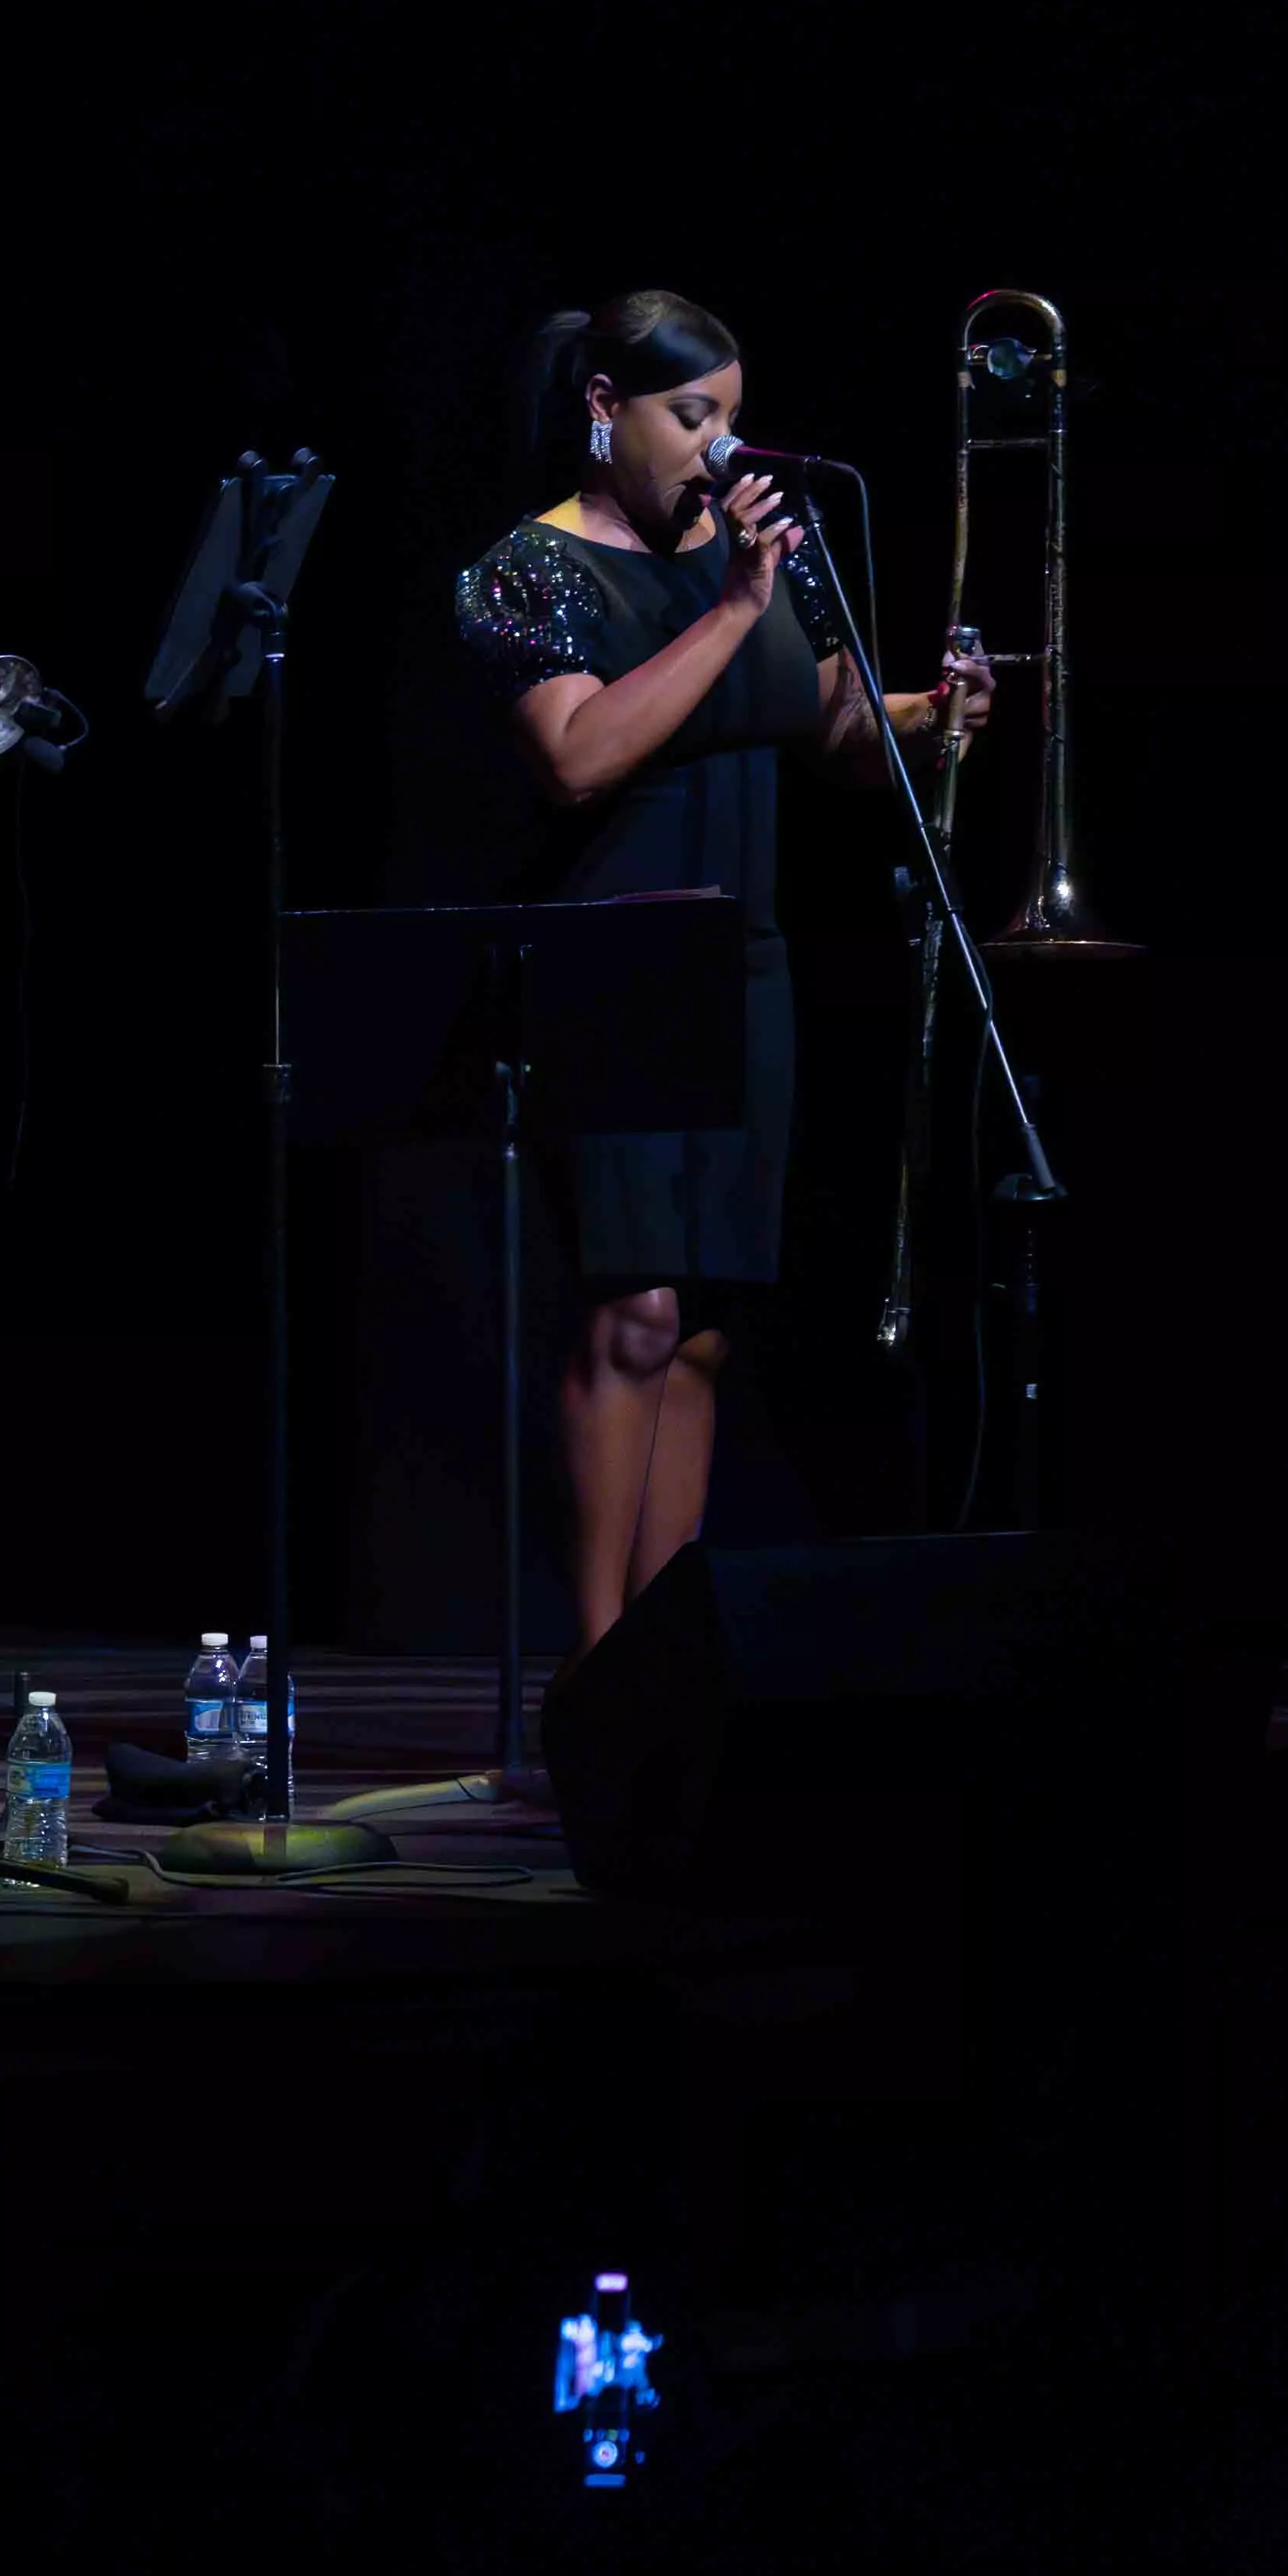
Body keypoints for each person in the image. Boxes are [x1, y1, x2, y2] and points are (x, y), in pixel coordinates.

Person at [455, 291, 987, 1646]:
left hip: (744, 963)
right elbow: (576, 755)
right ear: (603, 410)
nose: (721, 448)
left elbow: (825, 729)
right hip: (611, 959)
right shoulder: (530, 569)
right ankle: (592, 1669)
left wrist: (929, 716)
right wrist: (734, 603)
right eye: (694, 417)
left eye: (733, 419)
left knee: (701, 1323)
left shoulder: (757, 554)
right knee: (629, 1310)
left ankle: (664, 1658)